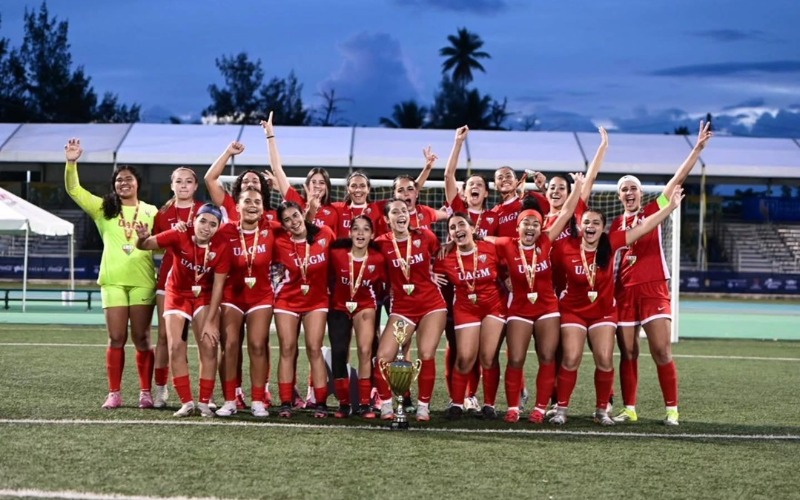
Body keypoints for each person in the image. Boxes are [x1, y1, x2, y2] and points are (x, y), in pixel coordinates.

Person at [551, 188, 684, 425]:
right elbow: (556, 230)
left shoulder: (611, 242)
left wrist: (670, 207)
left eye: (596, 223)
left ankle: (603, 411)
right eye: (586, 222)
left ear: (604, 228)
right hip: (574, 310)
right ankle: (561, 410)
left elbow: (643, 228)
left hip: (603, 312)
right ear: (580, 226)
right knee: (571, 357)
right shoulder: (565, 247)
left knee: (605, 358)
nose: (590, 226)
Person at [612, 121, 712, 426]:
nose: (628, 192)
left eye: (633, 188)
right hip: (624, 292)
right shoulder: (614, 225)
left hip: (653, 288)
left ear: (641, 194)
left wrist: (697, 148)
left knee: (660, 349)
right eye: (623, 189)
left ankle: (672, 410)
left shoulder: (654, 209)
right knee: (628, 350)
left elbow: (677, 178)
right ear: (619, 197)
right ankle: (629, 409)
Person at [64, 138, 157, 409]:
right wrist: (71, 162)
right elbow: (74, 190)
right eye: (118, 180)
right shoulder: (104, 209)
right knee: (117, 337)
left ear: (138, 183)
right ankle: (114, 393)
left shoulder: (151, 211)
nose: (123, 183)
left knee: (142, 338)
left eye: (128, 179)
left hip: (142, 281)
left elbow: (165, 240)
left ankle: (145, 392)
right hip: (113, 280)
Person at [494, 173, 585, 423]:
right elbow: (479, 239)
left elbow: (566, 212)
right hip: (520, 310)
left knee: (547, 357)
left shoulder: (546, 240)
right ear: (518, 226)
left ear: (540, 227)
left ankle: (540, 407)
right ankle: (513, 407)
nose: (531, 228)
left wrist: (578, 187)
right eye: (527, 223)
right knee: (515, 358)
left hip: (547, 308)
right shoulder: (507, 244)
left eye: (535, 223)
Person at [135, 204, 229, 417]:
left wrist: (211, 320)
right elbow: (145, 245)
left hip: (204, 295)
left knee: (209, 344)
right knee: (175, 346)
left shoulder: (222, 246)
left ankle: (205, 402)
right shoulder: (180, 233)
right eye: (203, 221)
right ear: (193, 220)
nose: (206, 227)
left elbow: (218, 286)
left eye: (213, 224)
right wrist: (142, 237)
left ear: (218, 227)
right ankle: (186, 402)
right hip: (177, 294)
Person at [205, 140, 276, 408]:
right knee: (231, 345)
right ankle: (231, 396)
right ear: (238, 192)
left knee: (260, 344)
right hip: (232, 293)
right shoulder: (229, 215)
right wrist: (228, 152)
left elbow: (299, 229)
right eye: (245, 182)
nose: (250, 184)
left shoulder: (270, 220)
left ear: (264, 191)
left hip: (261, 292)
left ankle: (262, 393)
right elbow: (210, 179)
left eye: (255, 182)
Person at [373, 199, 447, 422]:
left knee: (425, 353)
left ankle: (424, 406)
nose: (401, 215)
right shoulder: (380, 243)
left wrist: (435, 271)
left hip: (431, 304)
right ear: (387, 220)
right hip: (403, 308)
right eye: (395, 212)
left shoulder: (425, 236)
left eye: (404, 211)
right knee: (383, 356)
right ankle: (387, 405)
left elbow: (441, 254)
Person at [442, 125, 495, 410]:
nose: (473, 187)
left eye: (479, 185)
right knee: (459, 345)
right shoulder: (457, 209)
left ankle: (474, 395)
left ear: (486, 193)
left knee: (488, 351)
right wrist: (458, 143)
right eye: (470, 183)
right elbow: (448, 175)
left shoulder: (495, 216)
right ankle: (457, 397)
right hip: (457, 285)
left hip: (488, 290)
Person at [434, 214, 506, 420]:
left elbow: (506, 267)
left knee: (488, 357)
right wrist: (430, 275)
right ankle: (457, 403)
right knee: (465, 357)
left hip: (494, 306)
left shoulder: (491, 249)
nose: (457, 230)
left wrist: (508, 279)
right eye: (452, 227)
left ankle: (489, 405)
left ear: (473, 229)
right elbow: (426, 274)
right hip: (466, 308)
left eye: (461, 225)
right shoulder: (445, 256)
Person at [272, 201, 336, 418]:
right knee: (287, 348)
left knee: (314, 348)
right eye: (287, 220)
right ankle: (286, 402)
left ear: (303, 214)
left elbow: (340, 258)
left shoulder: (325, 234)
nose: (293, 222)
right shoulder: (278, 241)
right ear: (283, 225)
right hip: (287, 299)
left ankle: (320, 403)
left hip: (317, 300)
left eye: (295, 215)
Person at [151, 167, 204, 408]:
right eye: (179, 181)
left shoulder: (204, 210)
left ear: (195, 186)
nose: (183, 185)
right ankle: (161, 389)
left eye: (189, 182)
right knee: (166, 337)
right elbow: (154, 243)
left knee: (204, 338)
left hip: (200, 282)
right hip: (169, 282)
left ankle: (205, 395)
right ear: (172, 185)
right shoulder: (163, 213)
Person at [327, 215, 386, 418]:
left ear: (372, 235)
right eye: (356, 229)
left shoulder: (378, 259)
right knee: (339, 351)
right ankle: (344, 403)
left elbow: (390, 281)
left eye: (366, 229)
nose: (361, 233)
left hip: (365, 306)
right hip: (338, 305)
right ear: (350, 232)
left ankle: (363, 404)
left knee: (365, 349)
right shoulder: (336, 253)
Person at [261, 112, 338, 229]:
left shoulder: (333, 212)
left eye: (322, 183)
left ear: (327, 187)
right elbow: (277, 168)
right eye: (314, 182)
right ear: (307, 185)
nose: (317, 186)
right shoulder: (296, 201)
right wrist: (270, 135)